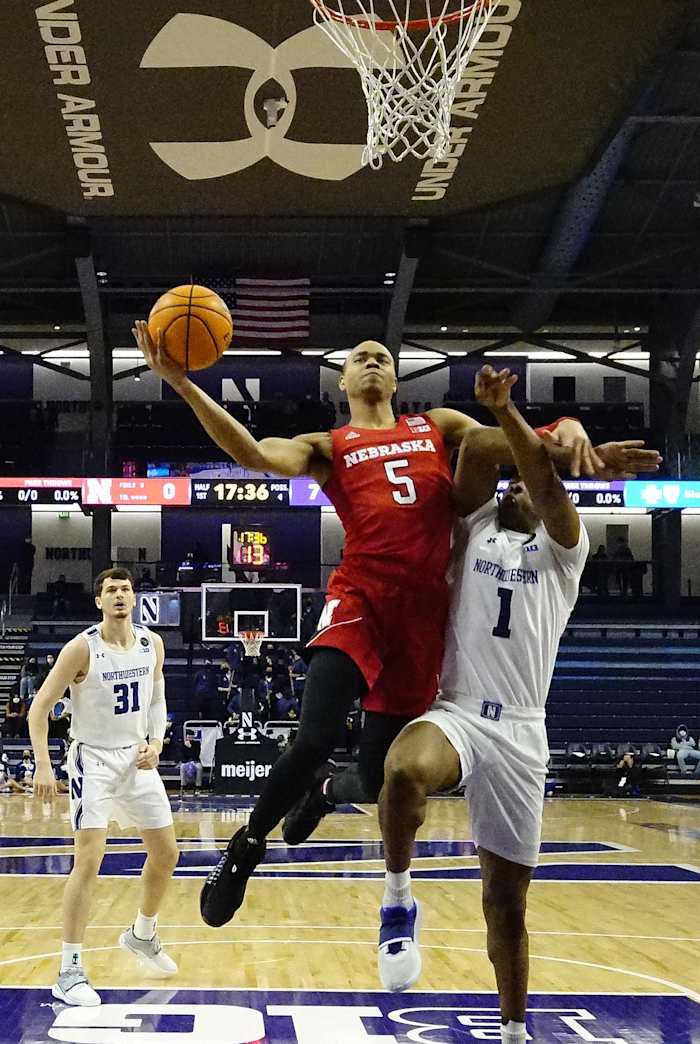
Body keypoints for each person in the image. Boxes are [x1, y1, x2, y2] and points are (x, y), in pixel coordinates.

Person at [134, 322, 658, 931]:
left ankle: (325, 794)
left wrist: (564, 436)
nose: (373, 362)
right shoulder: (330, 444)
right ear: (345, 381)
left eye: (382, 356)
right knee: (314, 736)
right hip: (360, 598)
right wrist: (179, 382)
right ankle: (246, 848)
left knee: (381, 781)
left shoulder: (434, 425)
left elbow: (496, 442)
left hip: (423, 618)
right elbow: (253, 452)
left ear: (397, 378)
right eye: (360, 357)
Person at [374, 367, 648, 1044]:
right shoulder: (471, 525)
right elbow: (474, 452)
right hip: (459, 712)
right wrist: (520, 422)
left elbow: (548, 485)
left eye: (531, 479)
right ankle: (398, 899)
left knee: (506, 904)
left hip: (523, 733)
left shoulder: (565, 550)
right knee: (404, 769)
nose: (520, 484)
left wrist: (544, 450)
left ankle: (514, 1032)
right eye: (515, 477)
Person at [28, 567, 179, 1007]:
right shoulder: (82, 648)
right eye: (110, 590)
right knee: (90, 860)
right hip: (92, 759)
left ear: (135, 599)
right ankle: (69, 969)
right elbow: (39, 710)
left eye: (125, 589)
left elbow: (157, 700)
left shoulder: (153, 644)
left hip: (136, 758)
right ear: (98, 601)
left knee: (168, 853)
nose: (118, 595)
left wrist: (156, 742)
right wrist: (42, 765)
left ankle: (142, 935)